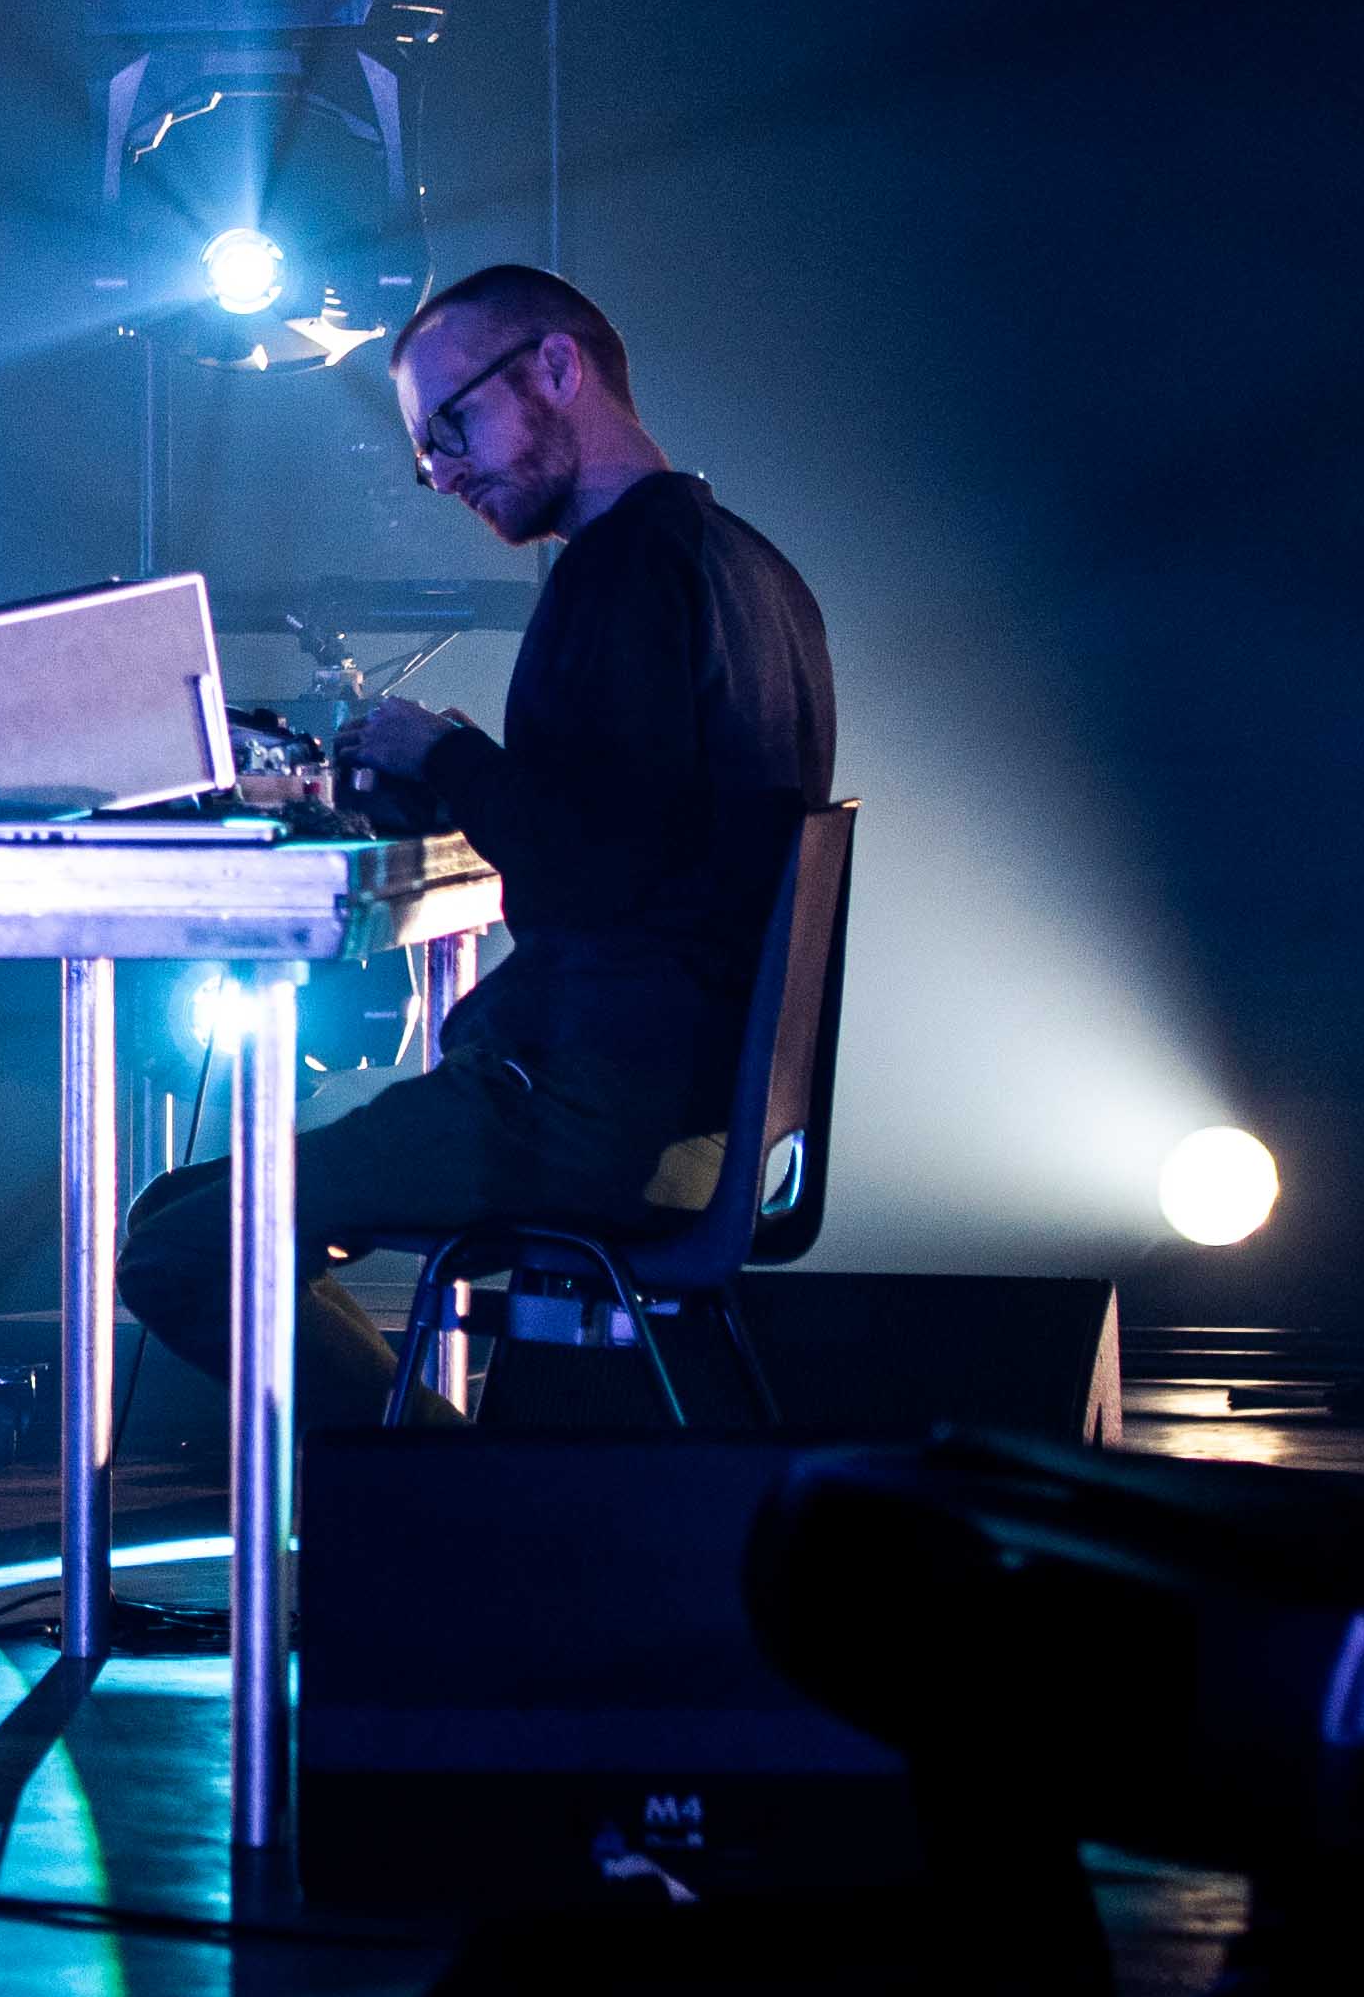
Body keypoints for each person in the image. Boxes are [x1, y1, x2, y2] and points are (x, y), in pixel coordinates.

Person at [119, 263, 836, 1425]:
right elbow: (645, 829)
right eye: (424, 453)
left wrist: (446, 757)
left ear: (555, 366)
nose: (442, 472)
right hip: (698, 1119)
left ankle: (441, 1490)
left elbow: (589, 872)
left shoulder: (618, 575)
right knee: (174, 1209)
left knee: (173, 1249)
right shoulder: (755, 571)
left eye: (450, 427)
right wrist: (470, 768)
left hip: (585, 1122)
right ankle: (445, 1488)